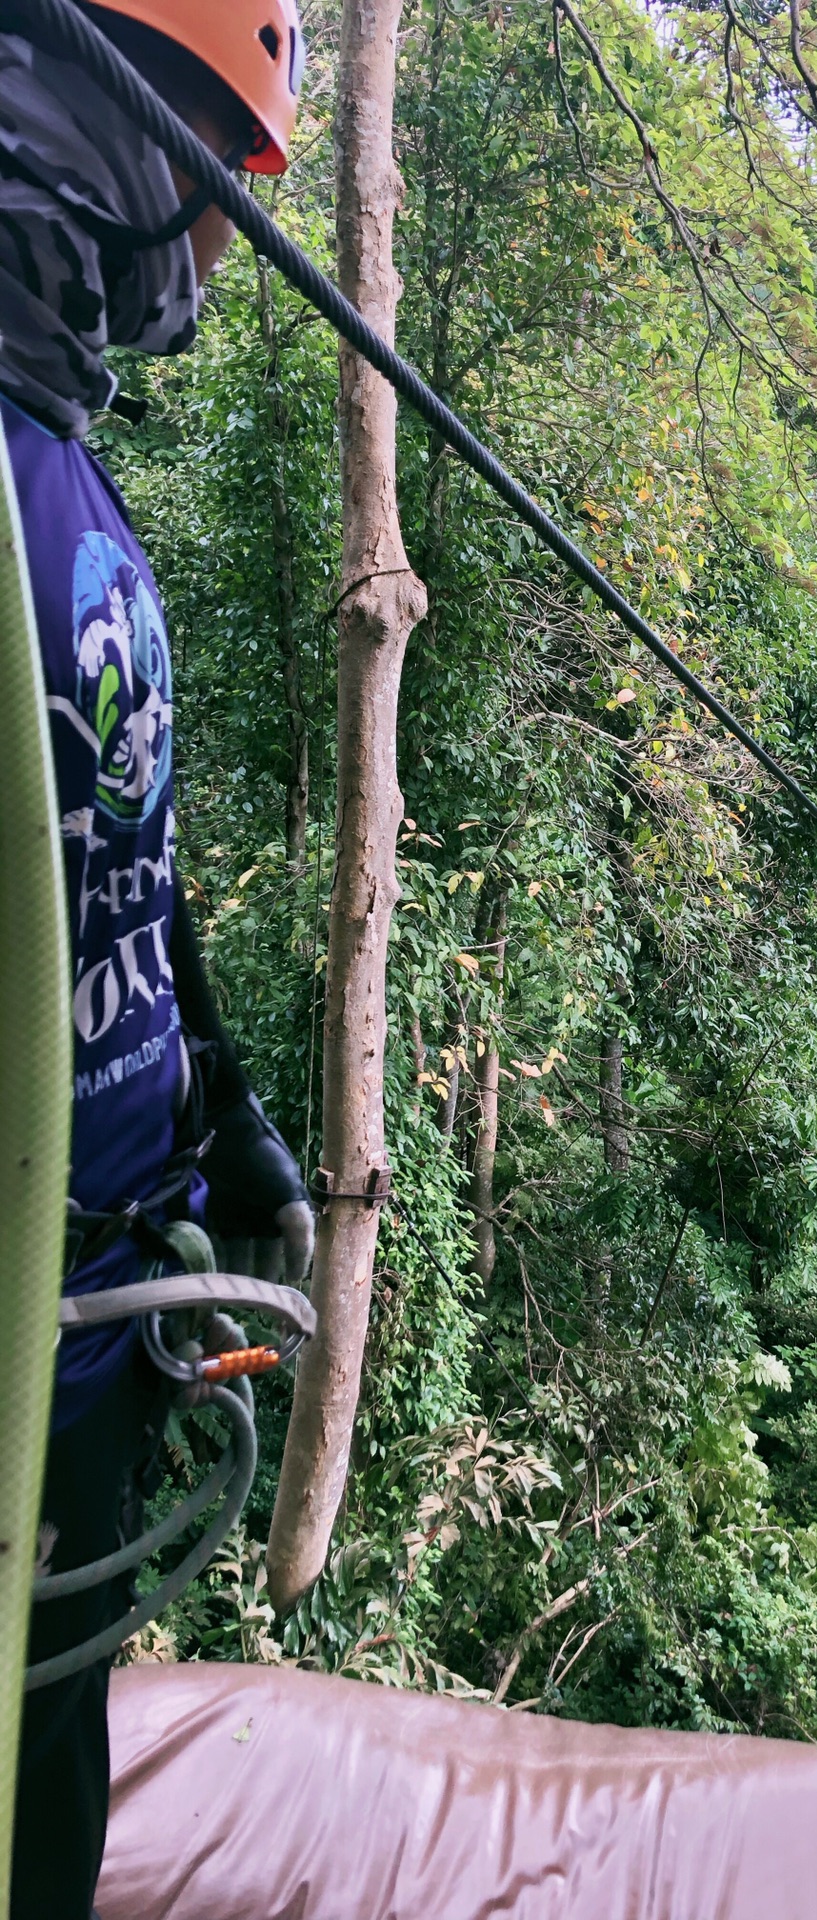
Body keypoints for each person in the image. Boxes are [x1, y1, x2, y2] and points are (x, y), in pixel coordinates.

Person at [2, 8, 310, 1917]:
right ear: (99, 140)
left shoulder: (62, 460)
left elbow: (114, 846)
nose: (216, 252)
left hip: (97, 1355)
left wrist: (218, 1112)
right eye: (210, 187)